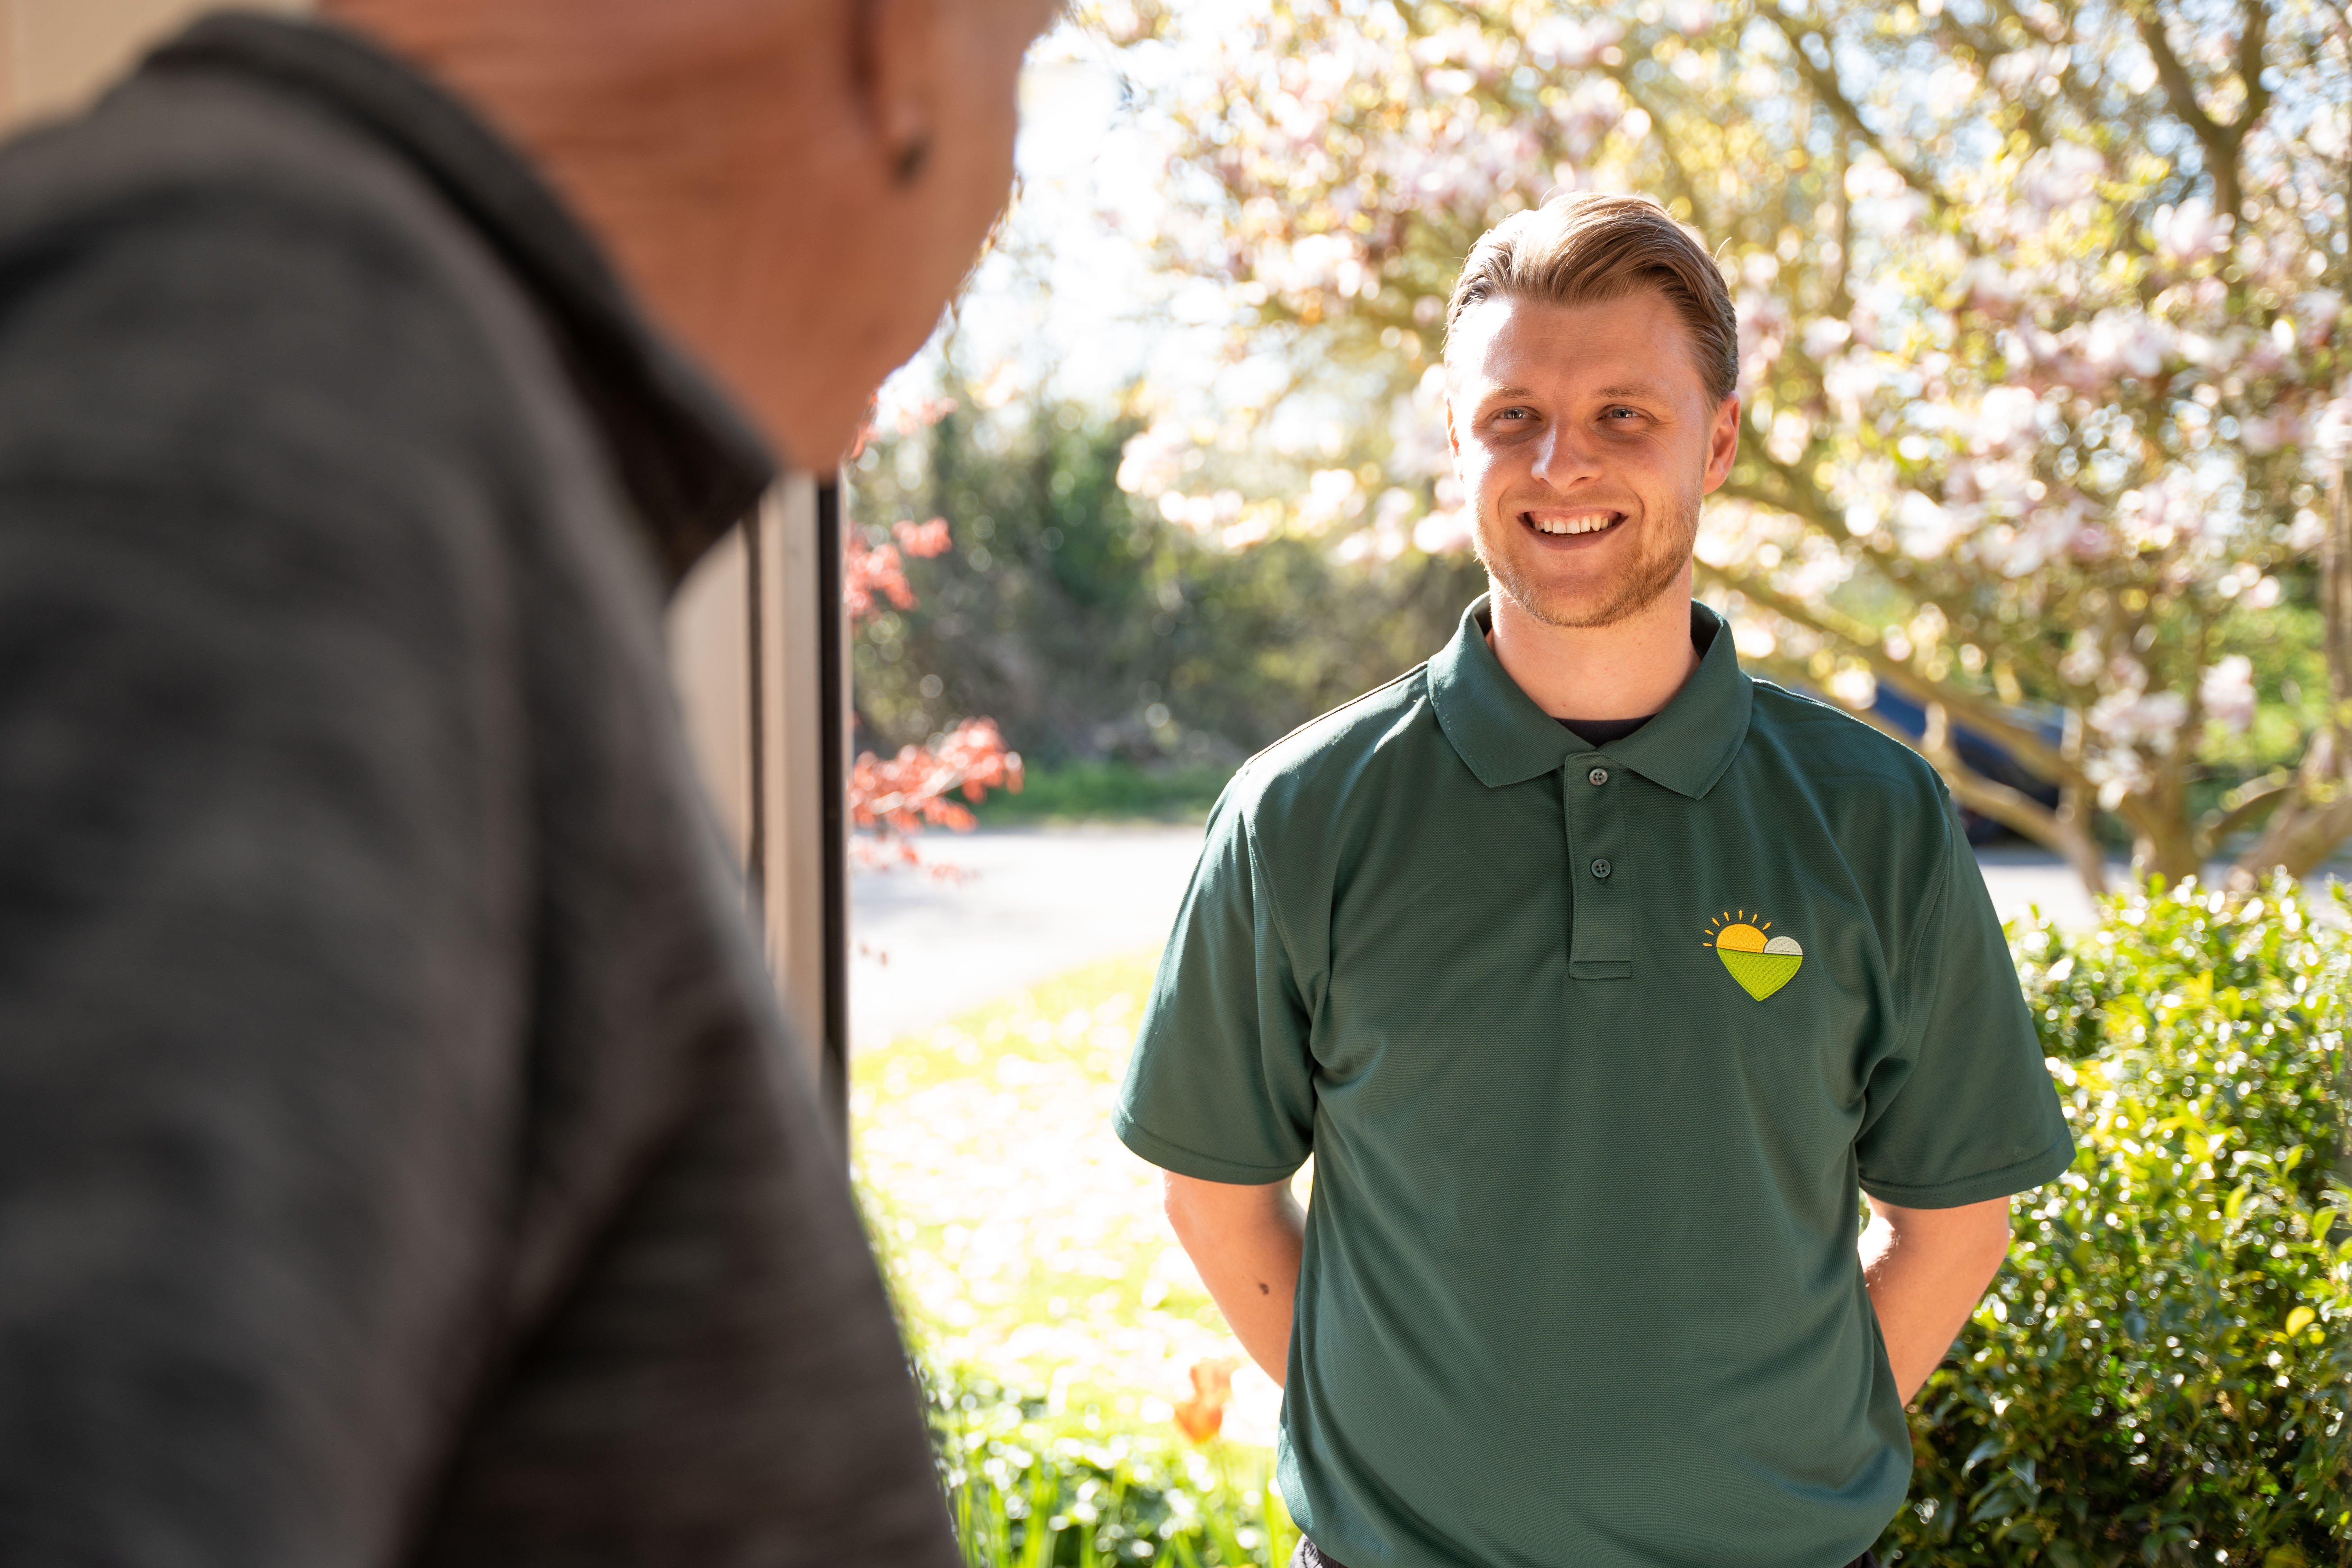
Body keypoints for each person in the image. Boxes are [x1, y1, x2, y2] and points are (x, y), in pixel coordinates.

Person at [0, 0, 1046, 1561]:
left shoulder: (352, 373)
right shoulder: (277, 362)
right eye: (1022, 53)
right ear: (899, 52)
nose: (1005, 173)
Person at [1115, 192, 2075, 1568]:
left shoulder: (1874, 814)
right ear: (1456, 436)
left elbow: (1952, 1223)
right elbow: (1212, 1192)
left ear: (1718, 439)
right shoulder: (1298, 814)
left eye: (1624, 413)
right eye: (1511, 415)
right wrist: (1395, 1449)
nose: (1560, 462)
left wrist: (1778, 1467)